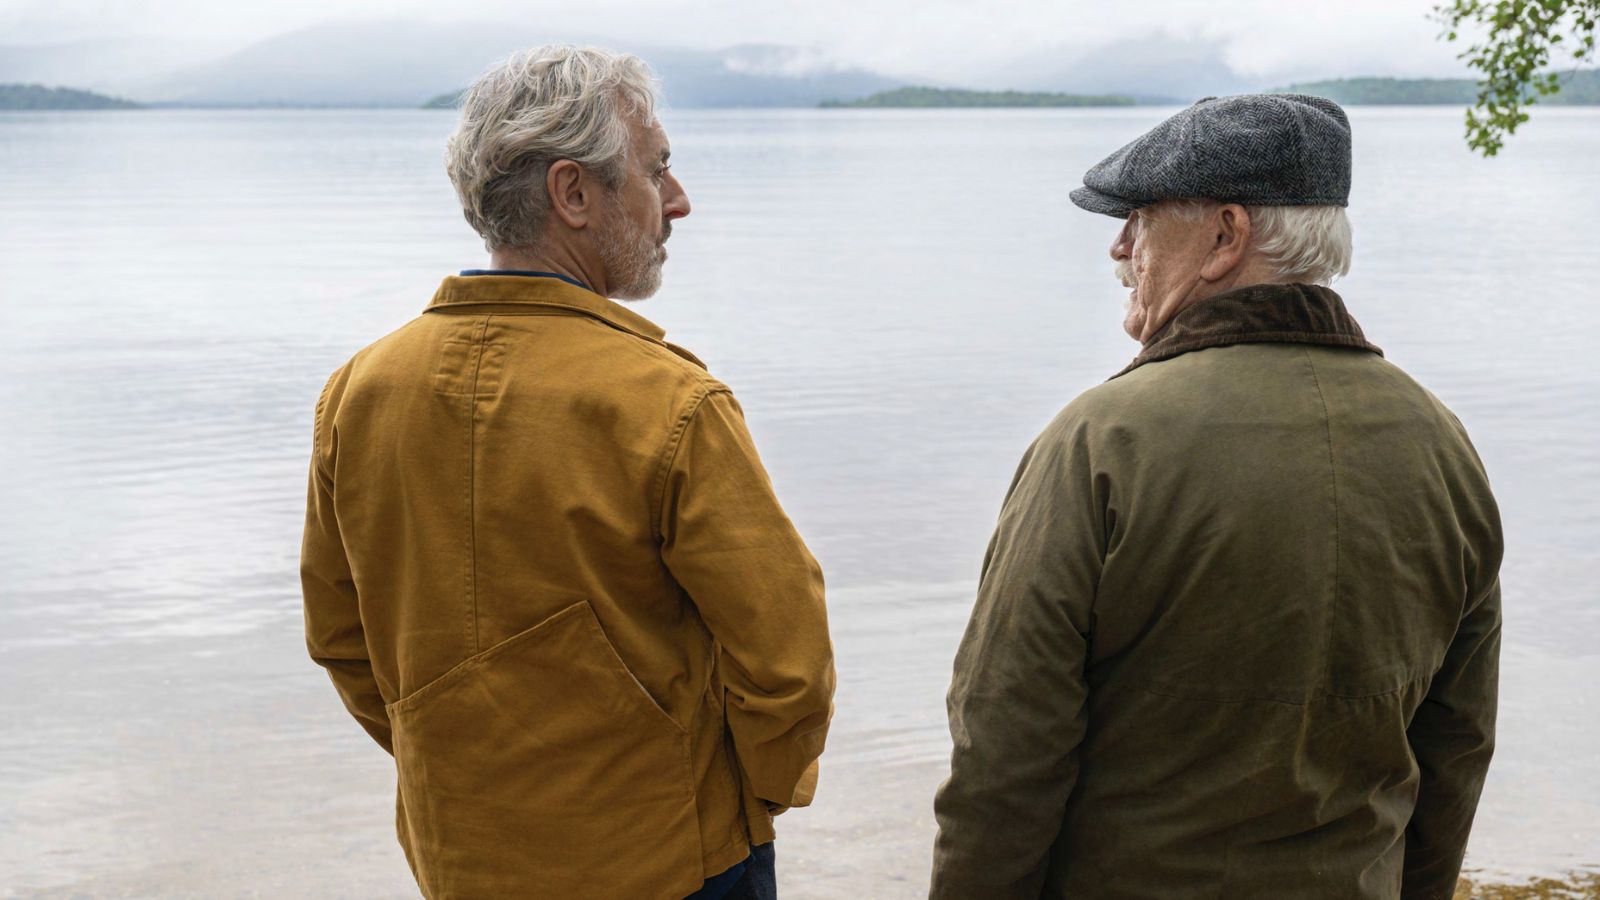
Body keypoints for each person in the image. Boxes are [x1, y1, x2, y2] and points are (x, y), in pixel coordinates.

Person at [929, 94, 1502, 900]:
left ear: (1226, 237)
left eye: (1140, 220)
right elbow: (1458, 741)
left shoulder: (1102, 438)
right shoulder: (1441, 442)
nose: (1119, 248)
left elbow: (1006, 744)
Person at [300, 46, 834, 900]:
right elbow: (787, 661)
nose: (679, 201)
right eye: (656, 170)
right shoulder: (667, 402)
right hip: (672, 865)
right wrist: (742, 800)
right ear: (573, 194)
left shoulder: (360, 393)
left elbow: (340, 638)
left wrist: (458, 768)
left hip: (462, 860)